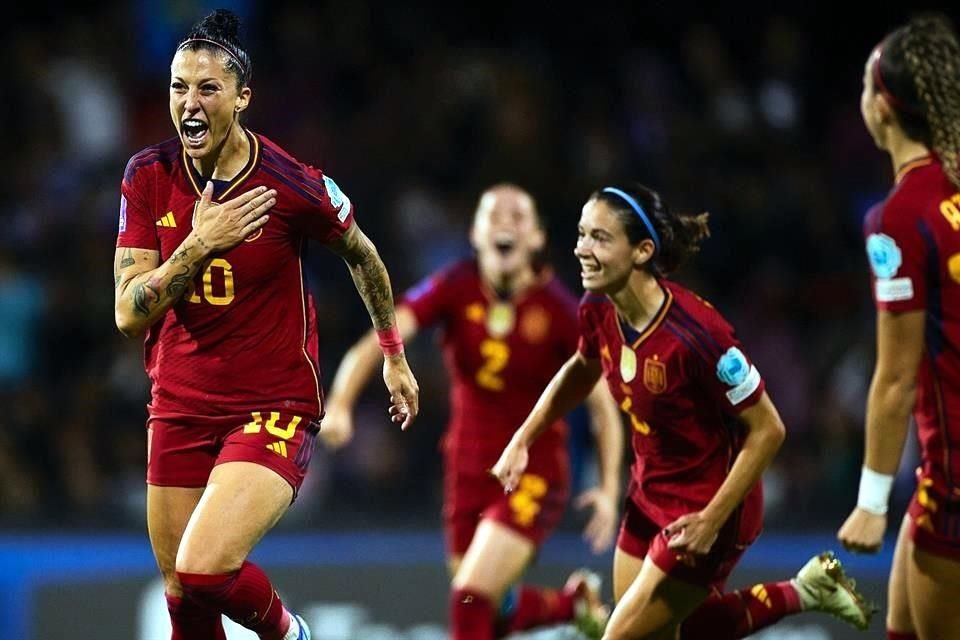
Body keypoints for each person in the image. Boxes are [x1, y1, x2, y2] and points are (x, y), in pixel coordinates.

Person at [113, 9, 419, 640]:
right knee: (182, 599)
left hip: (270, 402)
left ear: (242, 97)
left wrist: (392, 353)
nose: (189, 104)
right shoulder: (147, 176)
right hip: (178, 403)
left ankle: (289, 633)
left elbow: (364, 255)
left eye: (207, 88)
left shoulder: (287, 183)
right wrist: (200, 244)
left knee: (202, 569)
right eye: (178, 87)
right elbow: (126, 312)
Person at [493, 184, 873, 639]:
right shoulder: (598, 307)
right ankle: (805, 591)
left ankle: (802, 591)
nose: (581, 249)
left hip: (707, 507)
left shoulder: (699, 336)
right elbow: (581, 367)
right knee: (676, 630)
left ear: (642, 251)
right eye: (580, 234)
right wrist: (522, 439)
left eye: (599, 238)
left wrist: (711, 521)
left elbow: (769, 429)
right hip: (648, 494)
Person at [321, 184, 623, 638]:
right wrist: (341, 403)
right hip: (465, 468)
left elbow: (602, 407)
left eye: (517, 216)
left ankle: (568, 604)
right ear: (476, 234)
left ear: (537, 238)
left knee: (471, 597)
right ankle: (571, 604)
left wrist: (608, 485)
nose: (504, 222)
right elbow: (381, 337)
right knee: (488, 606)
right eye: (492, 215)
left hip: (532, 472)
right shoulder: (453, 287)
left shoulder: (561, 310)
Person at [837, 13, 960, 640]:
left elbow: (894, 379)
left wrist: (869, 503)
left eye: (862, 85)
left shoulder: (898, 218)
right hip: (937, 480)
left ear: (882, 106)